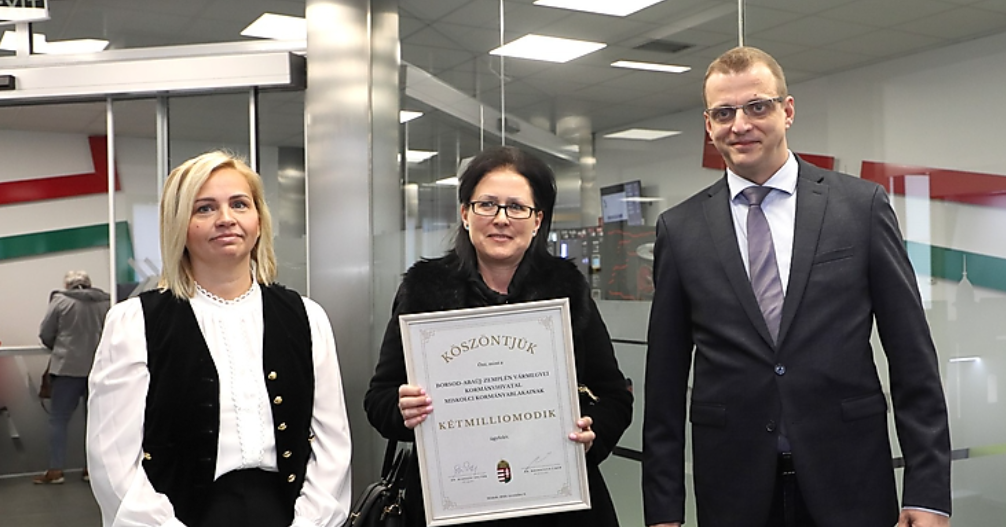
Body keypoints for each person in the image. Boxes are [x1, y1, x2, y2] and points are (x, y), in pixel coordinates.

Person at [641, 46, 952, 527]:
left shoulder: (860, 207)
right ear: (708, 124)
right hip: (733, 487)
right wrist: (663, 510)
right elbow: (663, 381)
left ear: (787, 111)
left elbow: (912, 357)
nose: (740, 124)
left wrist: (928, 493)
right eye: (723, 113)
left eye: (757, 106)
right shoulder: (680, 230)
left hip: (850, 477)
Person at [365, 145, 633, 527]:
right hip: (453, 507)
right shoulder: (423, 291)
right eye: (487, 204)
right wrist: (401, 409)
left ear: (537, 220)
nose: (501, 219)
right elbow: (379, 399)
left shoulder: (566, 291)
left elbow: (614, 396)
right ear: (465, 214)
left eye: (517, 207)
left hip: (557, 508)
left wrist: (593, 433)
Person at [86, 151, 352, 527]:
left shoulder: (307, 317)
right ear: (179, 225)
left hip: (288, 515)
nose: (226, 218)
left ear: (258, 220)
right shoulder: (134, 323)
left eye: (239, 204)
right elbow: (112, 459)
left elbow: (332, 443)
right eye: (205, 208)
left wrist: (310, 522)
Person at [33, 270, 110, 485]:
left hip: (67, 368)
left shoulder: (60, 301)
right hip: (98, 369)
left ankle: (55, 470)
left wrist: (61, 347)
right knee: (96, 422)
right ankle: (91, 470)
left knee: (58, 420)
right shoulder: (106, 302)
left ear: (67, 285)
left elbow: (46, 333)